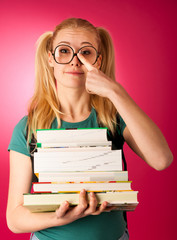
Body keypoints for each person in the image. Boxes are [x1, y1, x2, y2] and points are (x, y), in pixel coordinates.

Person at [6, 18, 173, 240]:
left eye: (86, 52)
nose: (75, 61)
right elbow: (15, 219)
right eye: (64, 51)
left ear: (99, 61)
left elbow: (161, 159)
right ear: (50, 59)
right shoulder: (28, 128)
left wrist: (116, 92)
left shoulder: (114, 118)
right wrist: (66, 216)